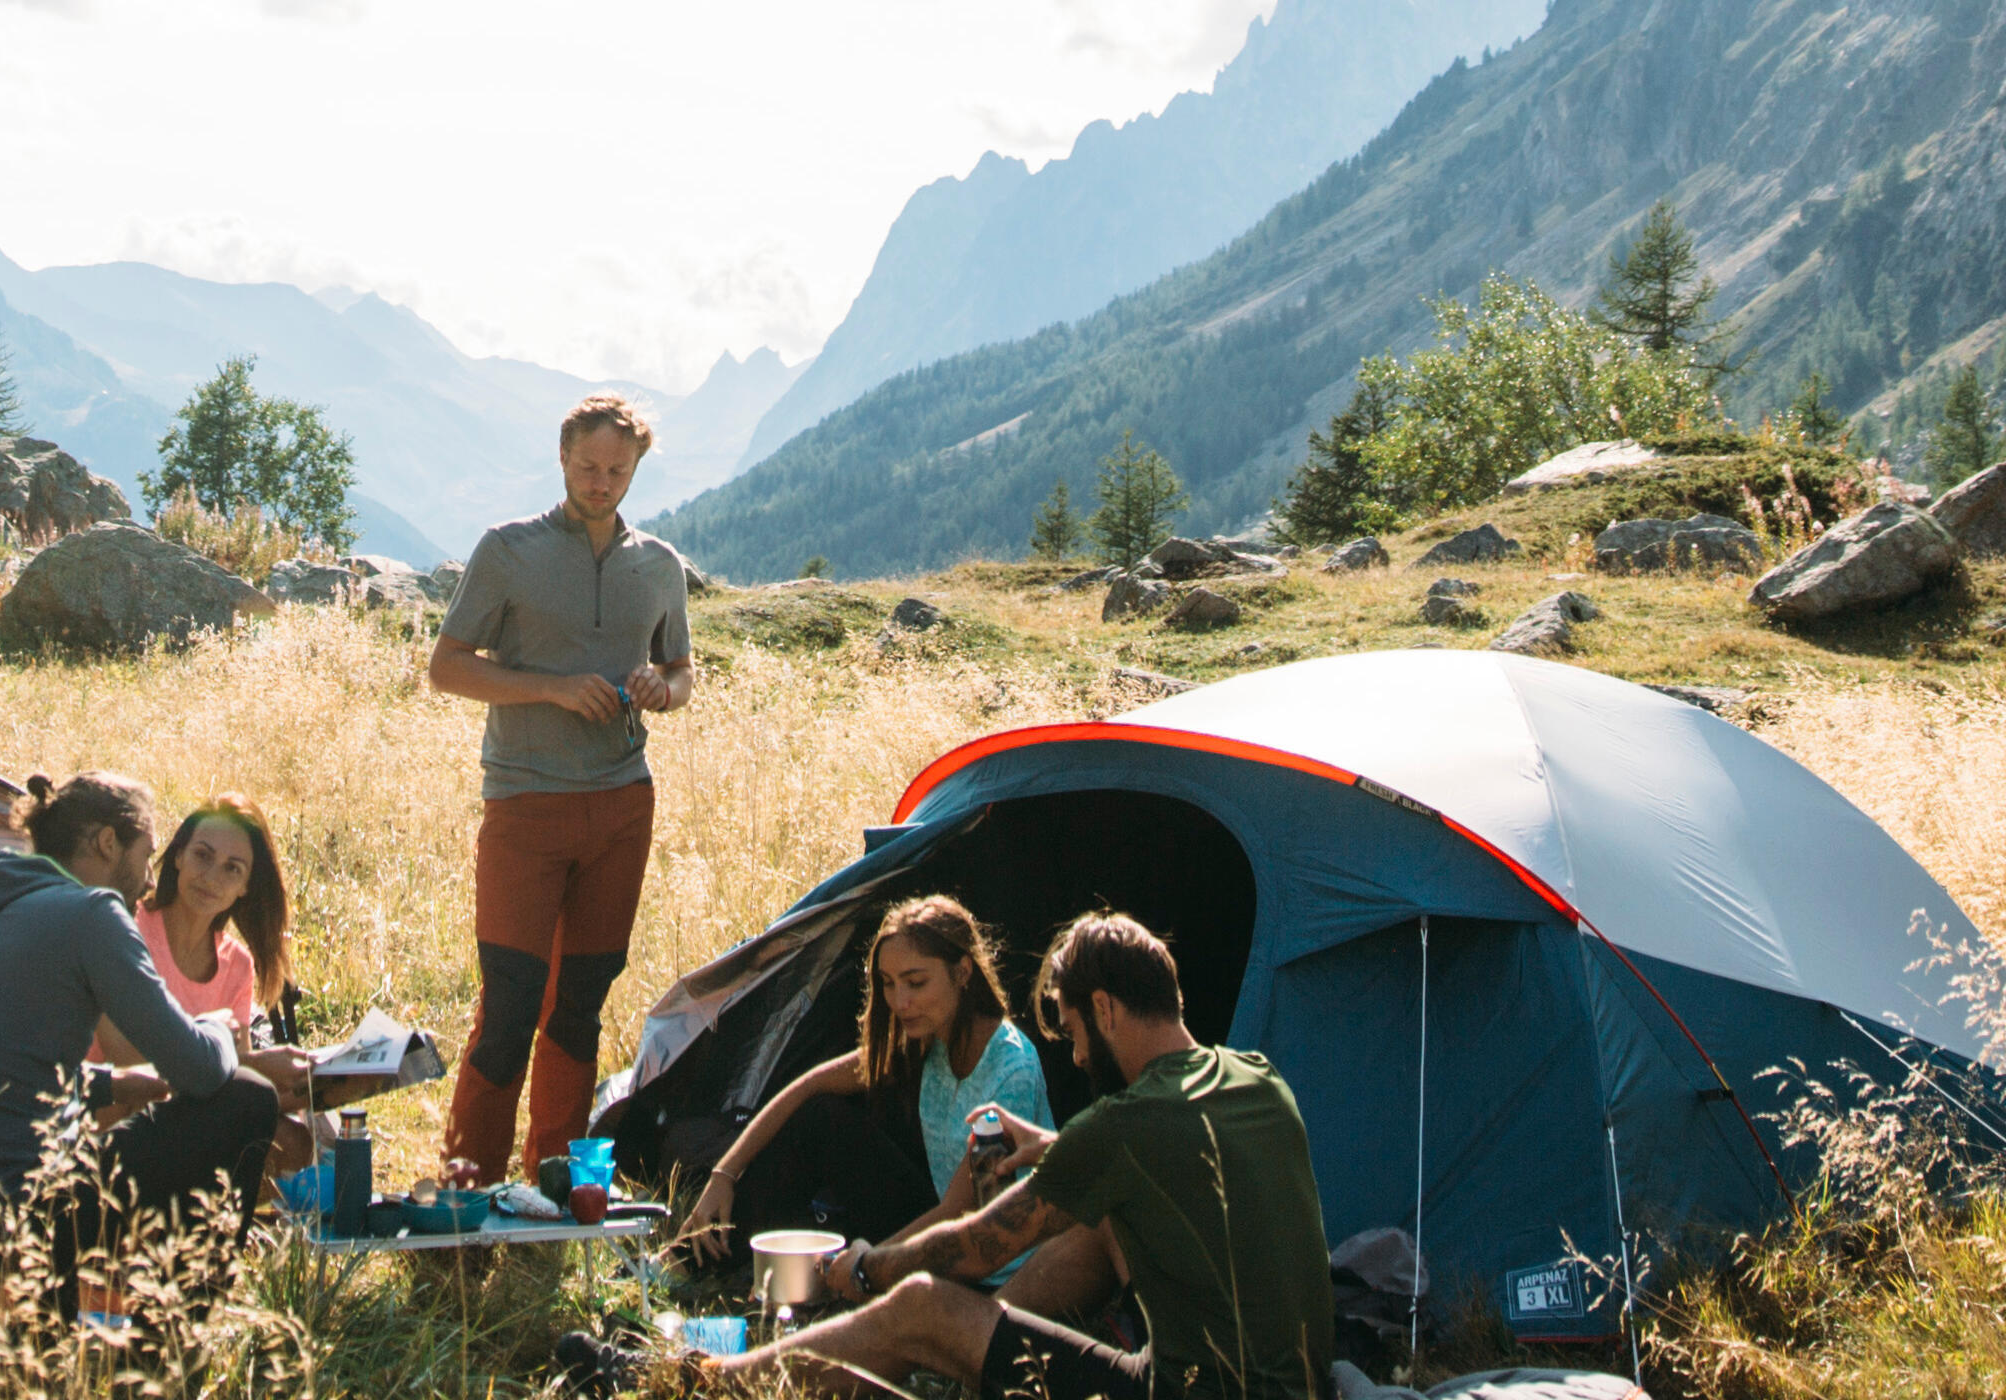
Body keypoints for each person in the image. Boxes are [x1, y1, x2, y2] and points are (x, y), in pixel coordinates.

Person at [557, 912, 1335, 1400]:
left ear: (1103, 1008)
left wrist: (870, 1271)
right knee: (1100, 1222)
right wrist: (1056, 1148)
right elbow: (1161, 1158)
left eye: (1071, 1031)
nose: (1073, 1050)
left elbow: (972, 1244)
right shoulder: (1258, 1082)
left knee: (926, 1308)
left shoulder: (1121, 1124)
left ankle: (700, 1383)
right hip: (1299, 1383)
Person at [0, 772, 310, 1317]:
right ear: (108, 843)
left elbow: (2, 1070)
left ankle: (90, 1303)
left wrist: (114, 1083)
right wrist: (219, 1031)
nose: (144, 881)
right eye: (147, 854)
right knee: (248, 1099)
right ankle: (170, 1331)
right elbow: (202, 1071)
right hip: (23, 1214)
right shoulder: (91, 913)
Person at [429, 392, 695, 1183]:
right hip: (525, 804)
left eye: (617, 469)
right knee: (511, 1004)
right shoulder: (507, 550)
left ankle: (554, 1185)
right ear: (562, 458)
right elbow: (447, 668)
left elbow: (684, 671)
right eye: (588, 466)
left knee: (580, 1003)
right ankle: (467, 1183)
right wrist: (549, 688)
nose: (601, 482)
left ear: (636, 468)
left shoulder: (659, 564)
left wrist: (661, 687)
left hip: (622, 805)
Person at [676, 895, 1050, 1285]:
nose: (900, 1002)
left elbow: (961, 1212)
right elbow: (809, 1085)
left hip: (991, 1263)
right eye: (888, 984)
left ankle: (793, 1271)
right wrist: (724, 1174)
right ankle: (699, 1256)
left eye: (916, 982)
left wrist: (868, 1264)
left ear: (962, 972)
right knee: (821, 1117)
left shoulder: (1011, 1070)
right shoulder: (928, 1037)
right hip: (939, 1222)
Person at [90, 794, 316, 1173]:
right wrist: (255, 1063)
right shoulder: (128, 929)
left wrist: (301, 1086)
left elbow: (236, 1081)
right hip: (112, 1115)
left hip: (184, 1119)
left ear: (245, 886)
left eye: (232, 869)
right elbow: (131, 1060)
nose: (211, 877)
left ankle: (217, 1228)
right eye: (203, 855)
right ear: (178, 856)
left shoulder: (236, 966)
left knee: (290, 1141)